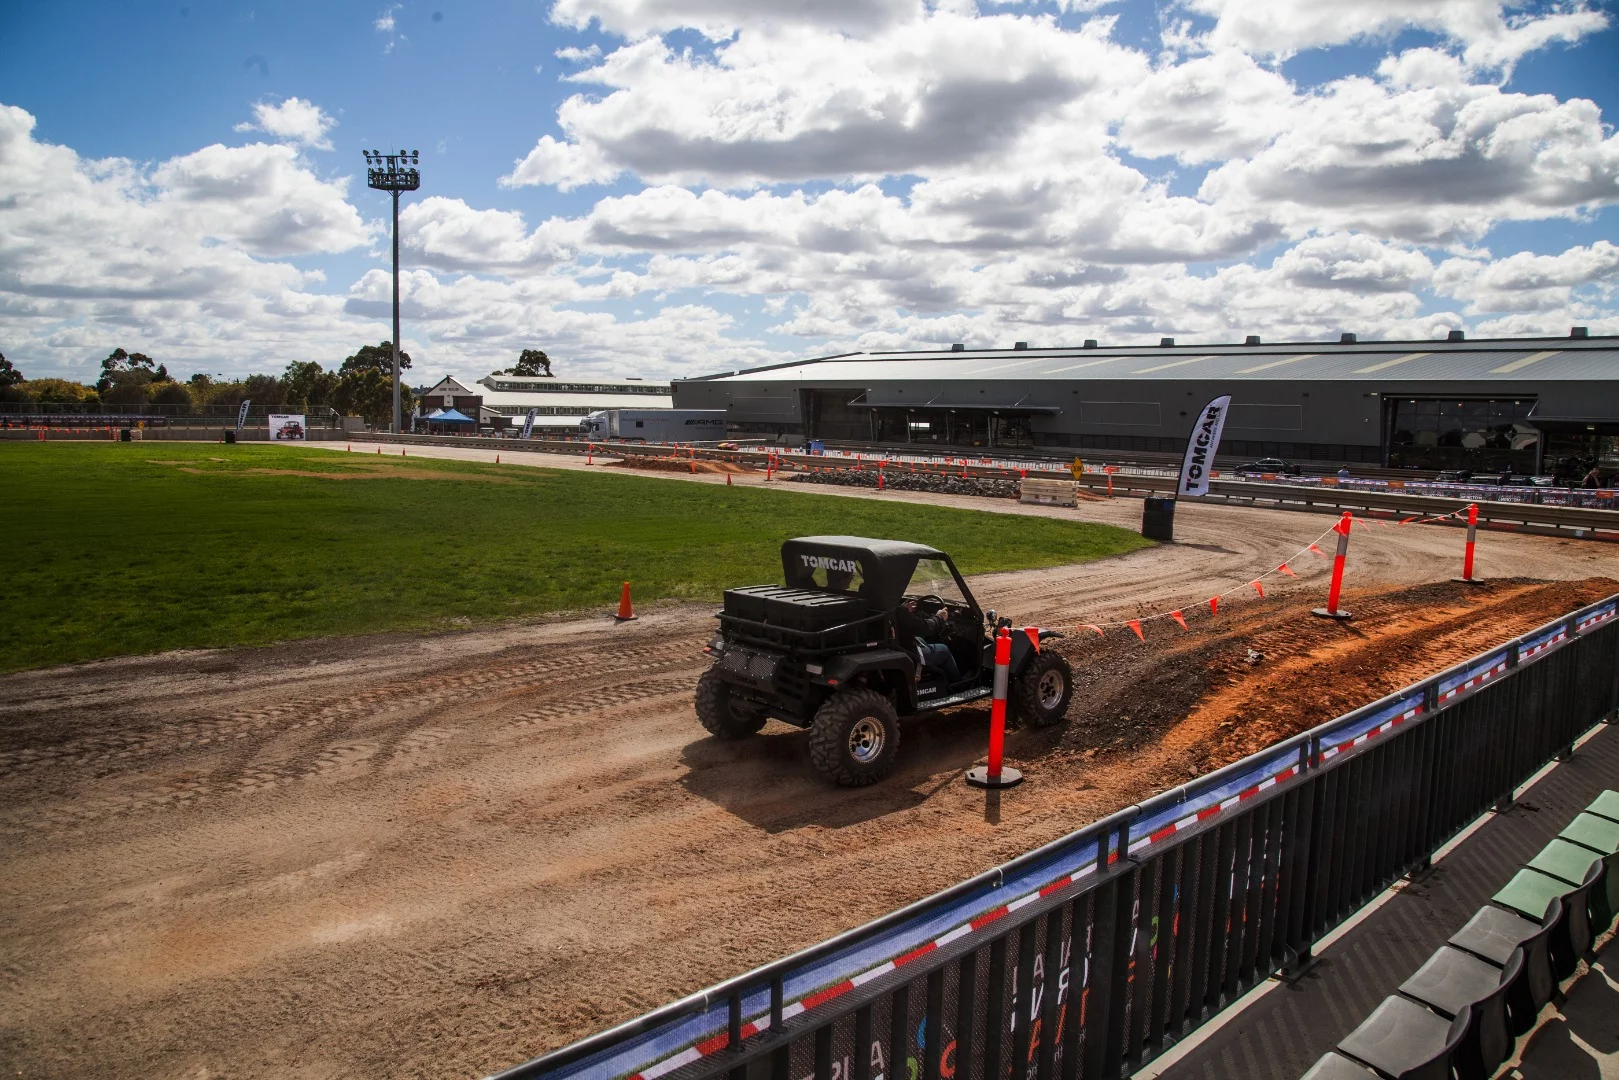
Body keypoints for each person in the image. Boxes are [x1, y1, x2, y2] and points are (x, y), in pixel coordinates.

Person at [896, 598, 961, 681]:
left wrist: (904, 609)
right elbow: (925, 629)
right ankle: (959, 685)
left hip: (896, 648)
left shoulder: (883, 609)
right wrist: (939, 617)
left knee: (921, 639)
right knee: (944, 650)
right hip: (907, 653)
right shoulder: (898, 612)